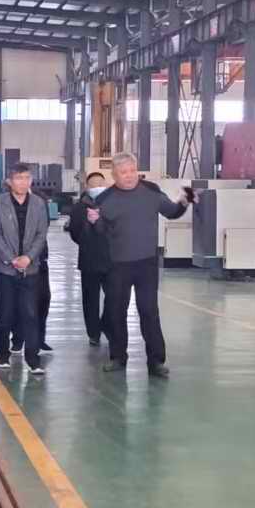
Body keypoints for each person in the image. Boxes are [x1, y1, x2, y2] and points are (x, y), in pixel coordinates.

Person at [86, 152, 190, 377]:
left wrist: (184, 201)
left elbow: (172, 212)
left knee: (149, 312)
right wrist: (94, 222)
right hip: (117, 266)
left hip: (147, 264)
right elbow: (100, 232)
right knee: (116, 313)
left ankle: (156, 362)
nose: (129, 176)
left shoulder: (151, 191)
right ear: (114, 175)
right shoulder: (104, 199)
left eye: (132, 171)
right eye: (123, 172)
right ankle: (118, 357)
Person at [0, 163, 49, 375]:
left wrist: (28, 258)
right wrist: (12, 259)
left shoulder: (39, 204)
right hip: (4, 270)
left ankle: (33, 359)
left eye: (27, 178)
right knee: (5, 313)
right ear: (9, 181)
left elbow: (41, 234)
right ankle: (3, 354)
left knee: (31, 314)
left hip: (30, 270)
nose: (23, 182)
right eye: (19, 178)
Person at [68, 171, 114, 346]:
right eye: (94, 185)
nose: (97, 188)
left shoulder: (112, 204)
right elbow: (74, 232)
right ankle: (93, 333)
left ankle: (107, 326)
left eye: (100, 184)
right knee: (90, 300)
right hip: (89, 261)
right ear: (87, 187)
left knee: (114, 298)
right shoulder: (79, 208)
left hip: (111, 260)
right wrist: (87, 241)